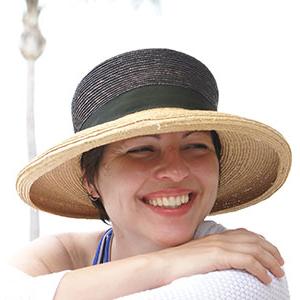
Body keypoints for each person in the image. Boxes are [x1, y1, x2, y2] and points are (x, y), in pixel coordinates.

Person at [8, 48, 291, 299]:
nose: (176, 171)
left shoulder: (247, 271)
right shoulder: (67, 253)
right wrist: (167, 262)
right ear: (90, 180)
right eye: (142, 150)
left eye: (195, 146)